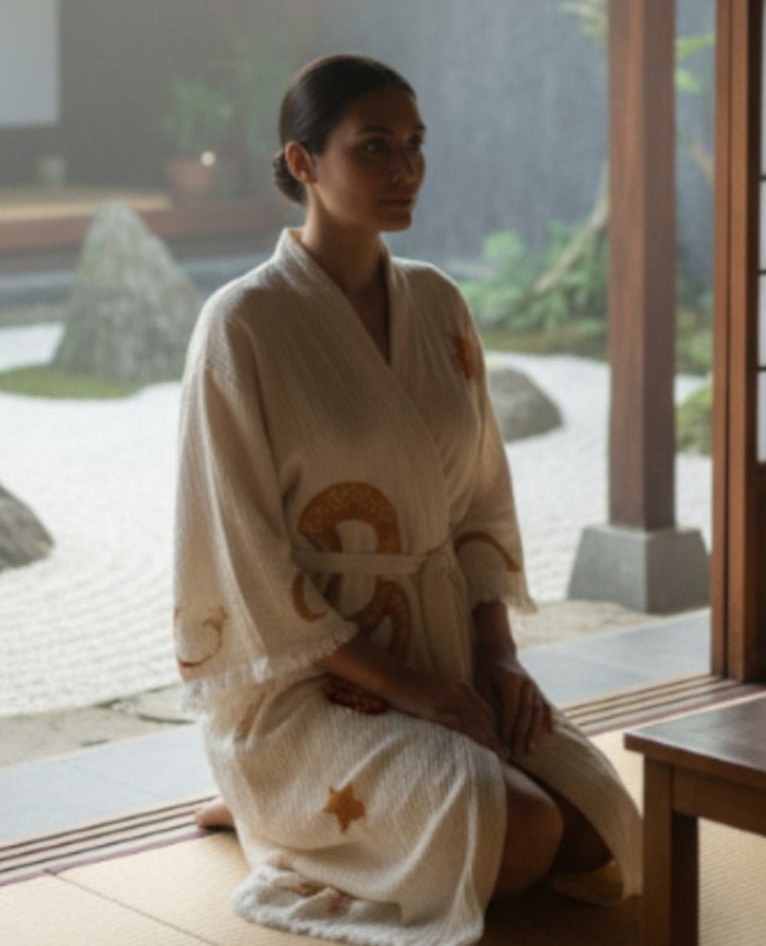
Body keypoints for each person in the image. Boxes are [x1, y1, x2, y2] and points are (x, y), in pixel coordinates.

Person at [172, 54, 642, 944]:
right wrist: (410, 690)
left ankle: (327, 816)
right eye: (374, 146)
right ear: (303, 161)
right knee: (520, 833)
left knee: (598, 828)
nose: (405, 167)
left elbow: (481, 500)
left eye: (415, 144)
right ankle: (275, 804)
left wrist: (497, 658)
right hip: (309, 680)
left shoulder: (437, 301)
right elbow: (240, 555)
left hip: (446, 653)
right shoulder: (243, 323)